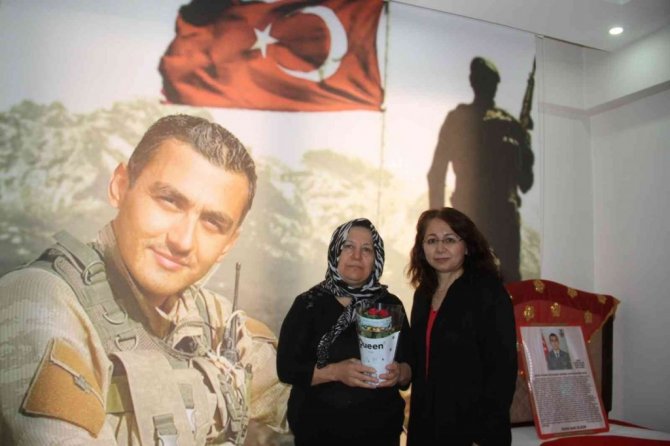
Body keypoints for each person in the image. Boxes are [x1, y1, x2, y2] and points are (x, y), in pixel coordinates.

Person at [0, 114, 289, 445]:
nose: (183, 240)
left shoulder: (214, 321)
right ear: (120, 186)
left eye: (212, 222)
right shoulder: (39, 301)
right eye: (169, 200)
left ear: (228, 244)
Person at [277, 218, 412, 446]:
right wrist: (336, 372)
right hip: (318, 434)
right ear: (335, 252)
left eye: (366, 249)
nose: (357, 256)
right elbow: (287, 369)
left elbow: (410, 367)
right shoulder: (308, 304)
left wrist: (399, 373)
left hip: (380, 434)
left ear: (376, 258)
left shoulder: (389, 304)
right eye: (348, 246)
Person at [406, 207, 517, 446]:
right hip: (426, 425)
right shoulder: (422, 295)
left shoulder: (488, 293)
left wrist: (483, 436)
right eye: (431, 241)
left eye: (449, 240)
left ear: (467, 246)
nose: (440, 248)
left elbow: (502, 371)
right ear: (422, 248)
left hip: (473, 431)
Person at [427, 56, 535, 282]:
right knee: (465, 281)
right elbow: (436, 173)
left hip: (502, 217)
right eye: (480, 79)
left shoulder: (511, 125)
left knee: (507, 282)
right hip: (470, 217)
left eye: (486, 80)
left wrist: (526, 152)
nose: (483, 84)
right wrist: (436, 225)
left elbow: (525, 182)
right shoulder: (461, 119)